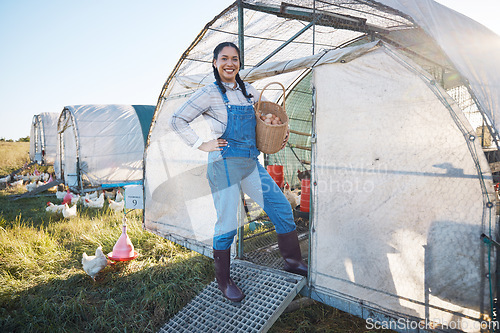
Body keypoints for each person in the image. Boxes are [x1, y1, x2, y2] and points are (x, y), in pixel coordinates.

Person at [170, 42, 307, 302]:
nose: (230, 63)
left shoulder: (248, 91)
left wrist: (281, 129)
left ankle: (292, 260)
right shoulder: (209, 93)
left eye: (234, 58)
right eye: (224, 58)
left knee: (281, 207)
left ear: (239, 63)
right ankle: (224, 281)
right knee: (227, 225)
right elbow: (177, 119)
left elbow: (270, 113)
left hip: (249, 163)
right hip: (224, 165)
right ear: (215, 62)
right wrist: (201, 144)